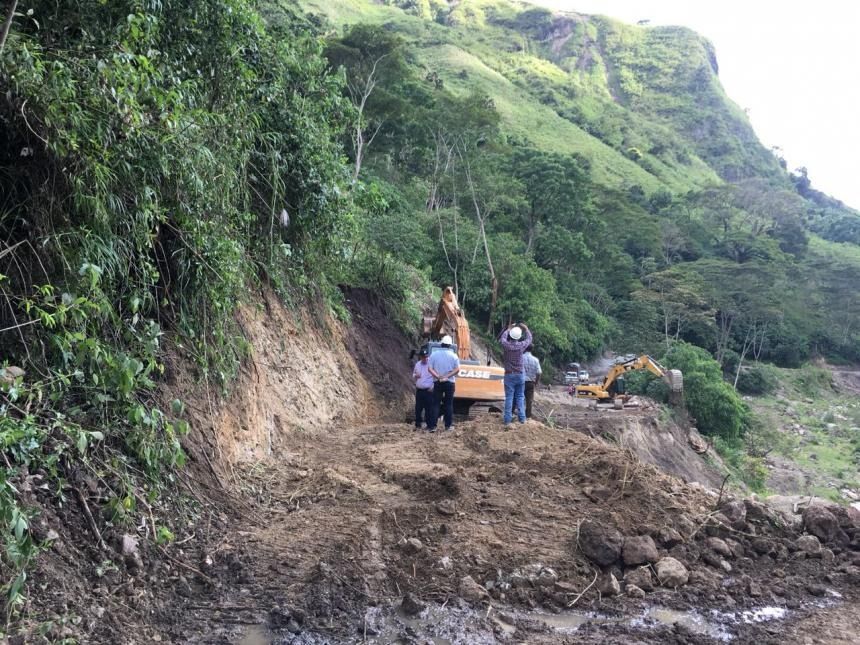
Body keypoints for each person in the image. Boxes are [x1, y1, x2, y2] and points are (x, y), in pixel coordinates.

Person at [499, 323, 532, 426]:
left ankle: (507, 420)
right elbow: (529, 339)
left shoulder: (506, 345)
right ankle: (522, 419)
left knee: (509, 397)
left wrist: (508, 329)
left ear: (511, 335)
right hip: (520, 374)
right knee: (520, 396)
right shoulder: (521, 346)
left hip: (509, 375)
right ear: (519, 337)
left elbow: (502, 338)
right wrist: (526, 328)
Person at [427, 335, 460, 432]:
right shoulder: (454, 356)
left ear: (441, 344)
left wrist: (438, 377)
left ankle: (433, 426)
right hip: (449, 383)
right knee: (448, 404)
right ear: (450, 345)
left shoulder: (434, 355)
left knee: (435, 404)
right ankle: (448, 426)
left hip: (438, 382)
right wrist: (447, 376)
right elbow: (457, 369)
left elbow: (430, 369)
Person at [412, 348, 435, 430]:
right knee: (418, 408)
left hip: (428, 390)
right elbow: (413, 374)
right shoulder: (417, 364)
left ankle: (430, 425)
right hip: (419, 390)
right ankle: (418, 424)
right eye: (423, 357)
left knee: (429, 409)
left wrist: (432, 387)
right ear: (420, 357)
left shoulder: (431, 364)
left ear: (427, 356)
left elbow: (435, 377)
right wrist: (415, 376)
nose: (424, 359)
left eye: (426, 357)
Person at [523, 345, 542, 419]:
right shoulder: (535, 360)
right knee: (529, 401)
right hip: (531, 382)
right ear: (532, 350)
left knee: (519, 398)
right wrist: (536, 382)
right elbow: (539, 373)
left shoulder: (520, 358)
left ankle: (519, 415)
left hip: (521, 382)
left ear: (524, 348)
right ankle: (528, 416)